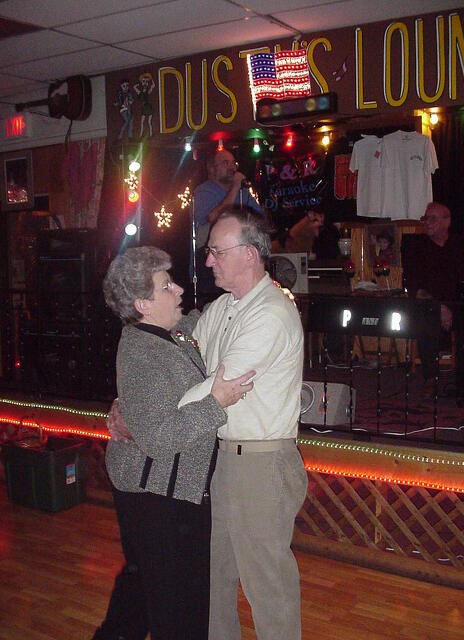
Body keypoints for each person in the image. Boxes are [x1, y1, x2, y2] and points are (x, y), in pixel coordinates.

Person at [109, 212, 308, 640]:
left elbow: (219, 388)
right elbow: (167, 339)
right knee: (214, 584)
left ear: (249, 255)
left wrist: (143, 418)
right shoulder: (222, 308)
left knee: (267, 588)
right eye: (210, 251)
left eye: (217, 251)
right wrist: (132, 403)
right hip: (217, 464)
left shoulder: (270, 314)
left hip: (259, 464)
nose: (208, 260)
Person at [93, 246, 254, 640]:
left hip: (158, 491)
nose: (179, 289)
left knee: (144, 586)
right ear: (143, 304)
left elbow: (206, 317)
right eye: (167, 286)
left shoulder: (171, 332)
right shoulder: (141, 352)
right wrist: (216, 403)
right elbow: (159, 439)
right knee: (179, 607)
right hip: (157, 498)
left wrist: (245, 290)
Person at [403, 201, 464, 382]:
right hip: (430, 305)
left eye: (433, 218)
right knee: (425, 317)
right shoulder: (416, 247)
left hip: (459, 305)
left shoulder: (462, 245)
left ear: (447, 222)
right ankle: (431, 378)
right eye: (426, 218)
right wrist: (440, 308)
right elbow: (415, 287)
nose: (427, 222)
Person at [191, 148, 264, 307]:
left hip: (238, 260)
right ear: (212, 169)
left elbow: (261, 219)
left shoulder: (242, 192)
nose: (232, 167)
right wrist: (236, 186)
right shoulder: (204, 191)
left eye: (233, 163)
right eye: (225, 163)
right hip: (211, 261)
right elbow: (215, 217)